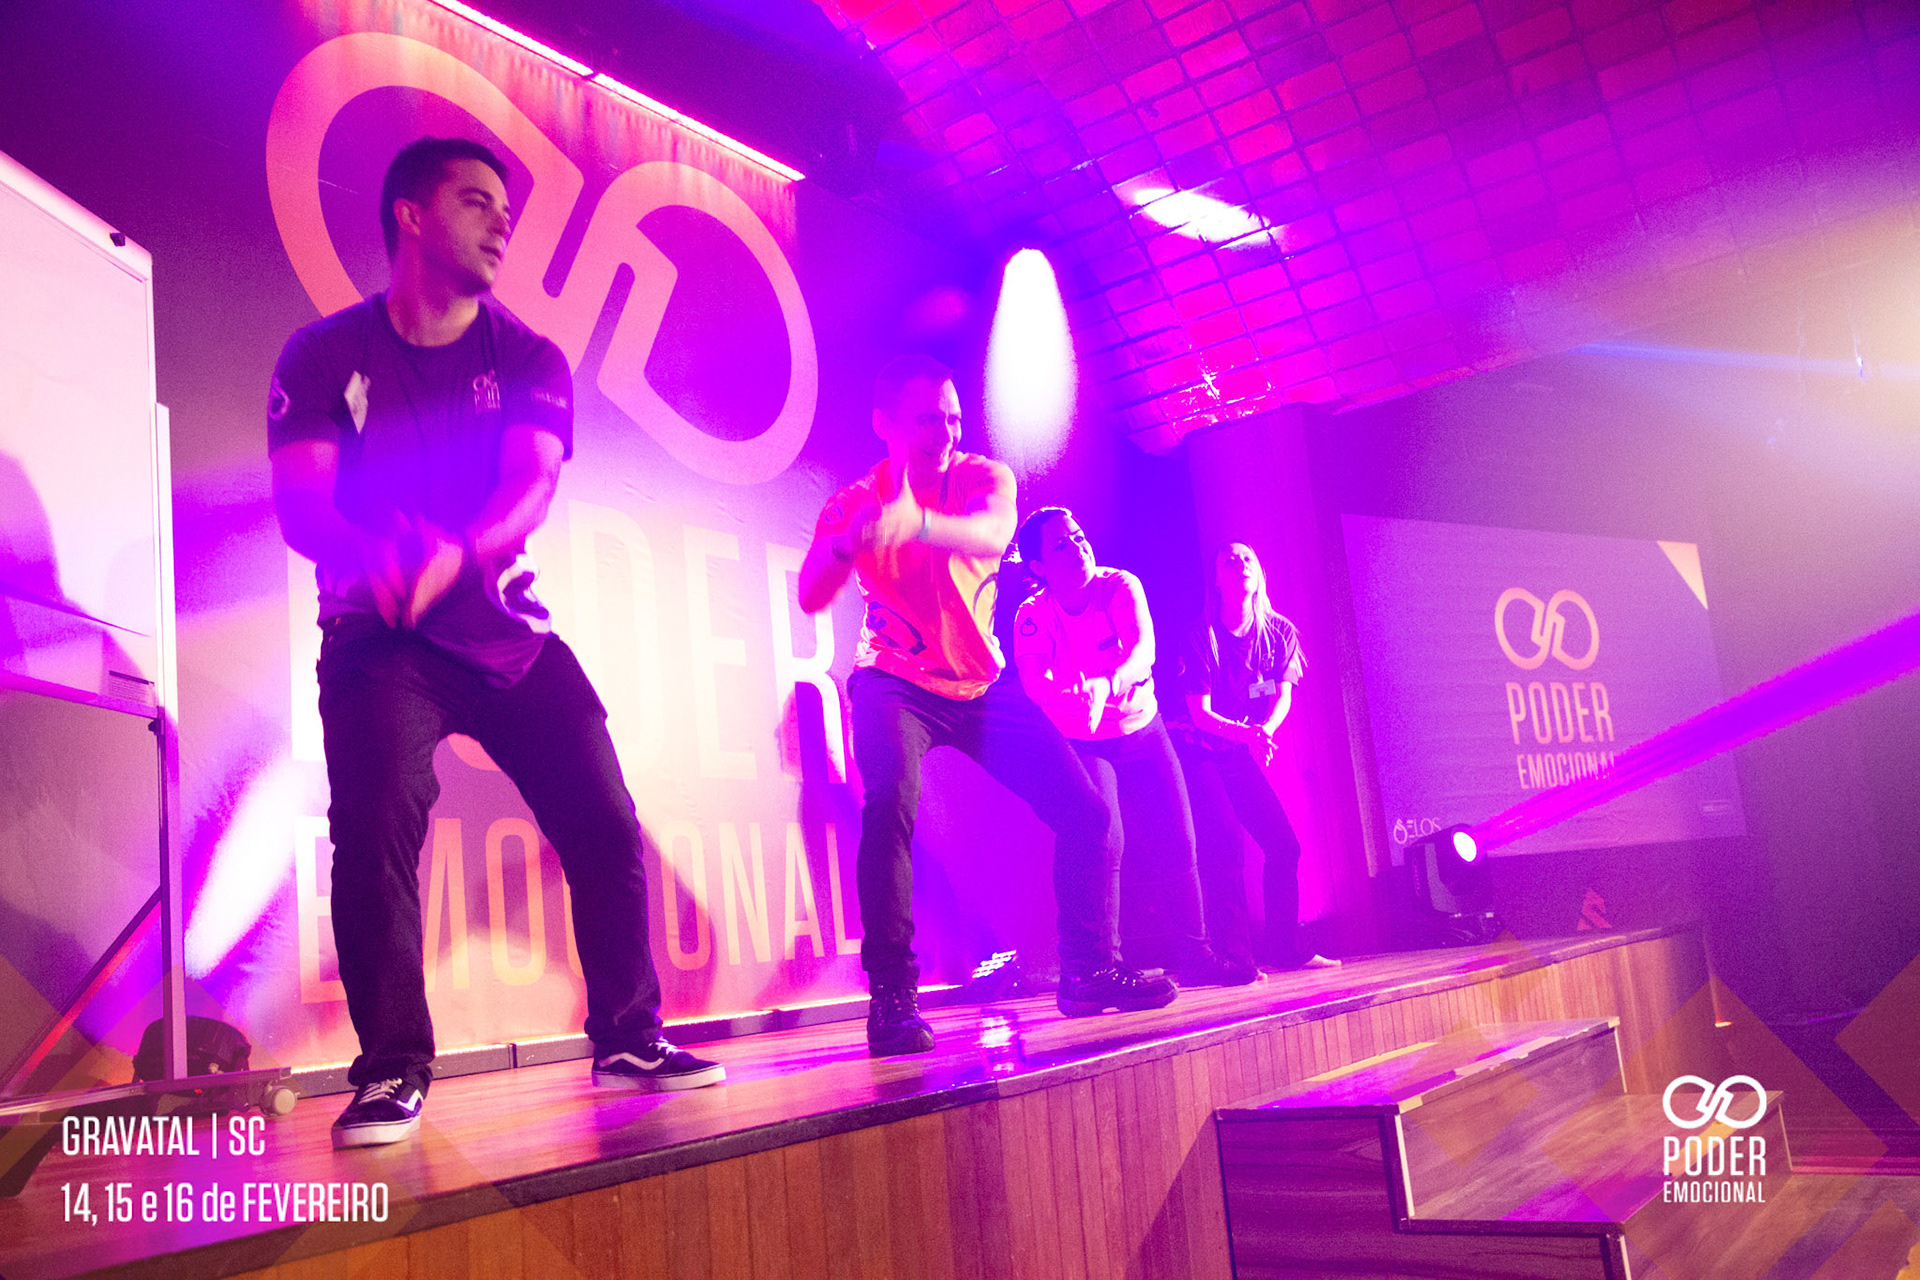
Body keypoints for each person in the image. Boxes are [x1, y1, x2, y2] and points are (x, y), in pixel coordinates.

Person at [268, 137, 723, 1149]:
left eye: (506, 209)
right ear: (410, 216)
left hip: (506, 633)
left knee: (604, 819)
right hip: (378, 634)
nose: (502, 223)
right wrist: (370, 553)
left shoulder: (526, 357)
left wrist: (457, 554)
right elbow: (303, 506)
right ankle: (392, 1068)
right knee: (374, 824)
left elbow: (532, 484)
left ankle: (629, 1035)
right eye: (476, 202)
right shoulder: (321, 355)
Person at [797, 356, 1176, 1053]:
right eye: (926, 420)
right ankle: (892, 997)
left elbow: (991, 535)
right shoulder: (853, 501)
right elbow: (812, 594)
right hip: (893, 680)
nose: (944, 434)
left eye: (952, 419)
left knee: (1088, 813)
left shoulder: (983, 478)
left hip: (980, 684)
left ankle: (1087, 971)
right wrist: (845, 545)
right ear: (884, 424)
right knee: (890, 804)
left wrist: (915, 523)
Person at [1010, 508, 1255, 988]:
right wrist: (1069, 699)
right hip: (1083, 739)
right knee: (1105, 842)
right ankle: (1106, 964)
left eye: (1079, 536)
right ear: (1038, 566)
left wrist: (1105, 685)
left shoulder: (1120, 585)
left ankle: (1197, 956)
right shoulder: (1032, 615)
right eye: (1061, 544)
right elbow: (1034, 682)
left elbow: (1143, 652)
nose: (1078, 546)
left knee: (1179, 839)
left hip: (1142, 729)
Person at [1173, 543, 1340, 973]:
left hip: (1238, 748)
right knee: (1226, 848)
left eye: (1247, 558)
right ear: (1217, 582)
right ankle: (1236, 959)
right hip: (1198, 751)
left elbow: (1283, 696)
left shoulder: (1279, 632)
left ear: (1259, 573)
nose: (1241, 564)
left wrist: (1264, 730)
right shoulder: (1201, 636)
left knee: (1284, 846)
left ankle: (1285, 948)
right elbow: (1200, 714)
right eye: (1229, 560)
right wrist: (1248, 734)